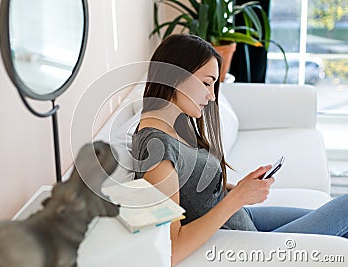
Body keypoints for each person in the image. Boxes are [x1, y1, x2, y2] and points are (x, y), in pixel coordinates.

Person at [131, 34, 348, 266]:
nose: (211, 96)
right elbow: (171, 248)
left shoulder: (174, 124)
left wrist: (238, 188)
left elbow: (187, 188)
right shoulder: (158, 153)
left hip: (242, 218)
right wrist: (237, 198)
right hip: (243, 237)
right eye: (206, 83)